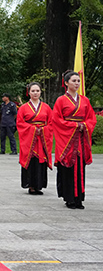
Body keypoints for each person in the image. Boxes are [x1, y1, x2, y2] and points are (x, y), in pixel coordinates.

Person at [52, 71, 97, 209]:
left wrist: (85, 126)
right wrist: (74, 126)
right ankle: (69, 198)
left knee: (80, 168)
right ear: (66, 83)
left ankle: (79, 198)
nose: (77, 83)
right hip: (67, 139)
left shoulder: (85, 100)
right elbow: (57, 120)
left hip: (81, 139)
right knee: (67, 167)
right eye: (73, 81)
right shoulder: (61, 100)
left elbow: (91, 118)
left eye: (78, 81)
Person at [17, 82, 53, 195]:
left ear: (40, 92)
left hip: (42, 138)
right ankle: (31, 185)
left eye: (37, 91)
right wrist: (33, 130)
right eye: (33, 91)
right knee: (31, 160)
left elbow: (51, 123)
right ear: (29, 92)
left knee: (40, 161)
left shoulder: (46, 107)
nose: (35, 93)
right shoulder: (23, 108)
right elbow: (20, 123)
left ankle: (39, 185)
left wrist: (43, 130)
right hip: (29, 138)